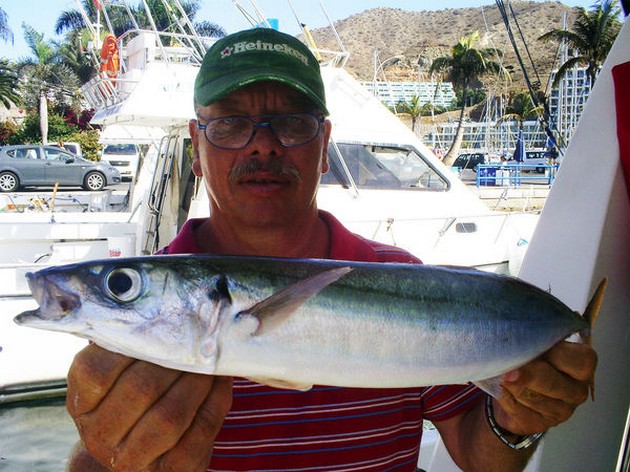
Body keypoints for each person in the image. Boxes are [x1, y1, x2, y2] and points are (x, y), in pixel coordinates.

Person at [66, 28, 597, 471]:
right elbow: (102, 447)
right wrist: (104, 456)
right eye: (229, 123)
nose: (263, 144)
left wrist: (515, 423)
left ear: (324, 146)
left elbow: (476, 451)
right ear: (197, 149)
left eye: (293, 123)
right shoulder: (146, 306)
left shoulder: (404, 279)